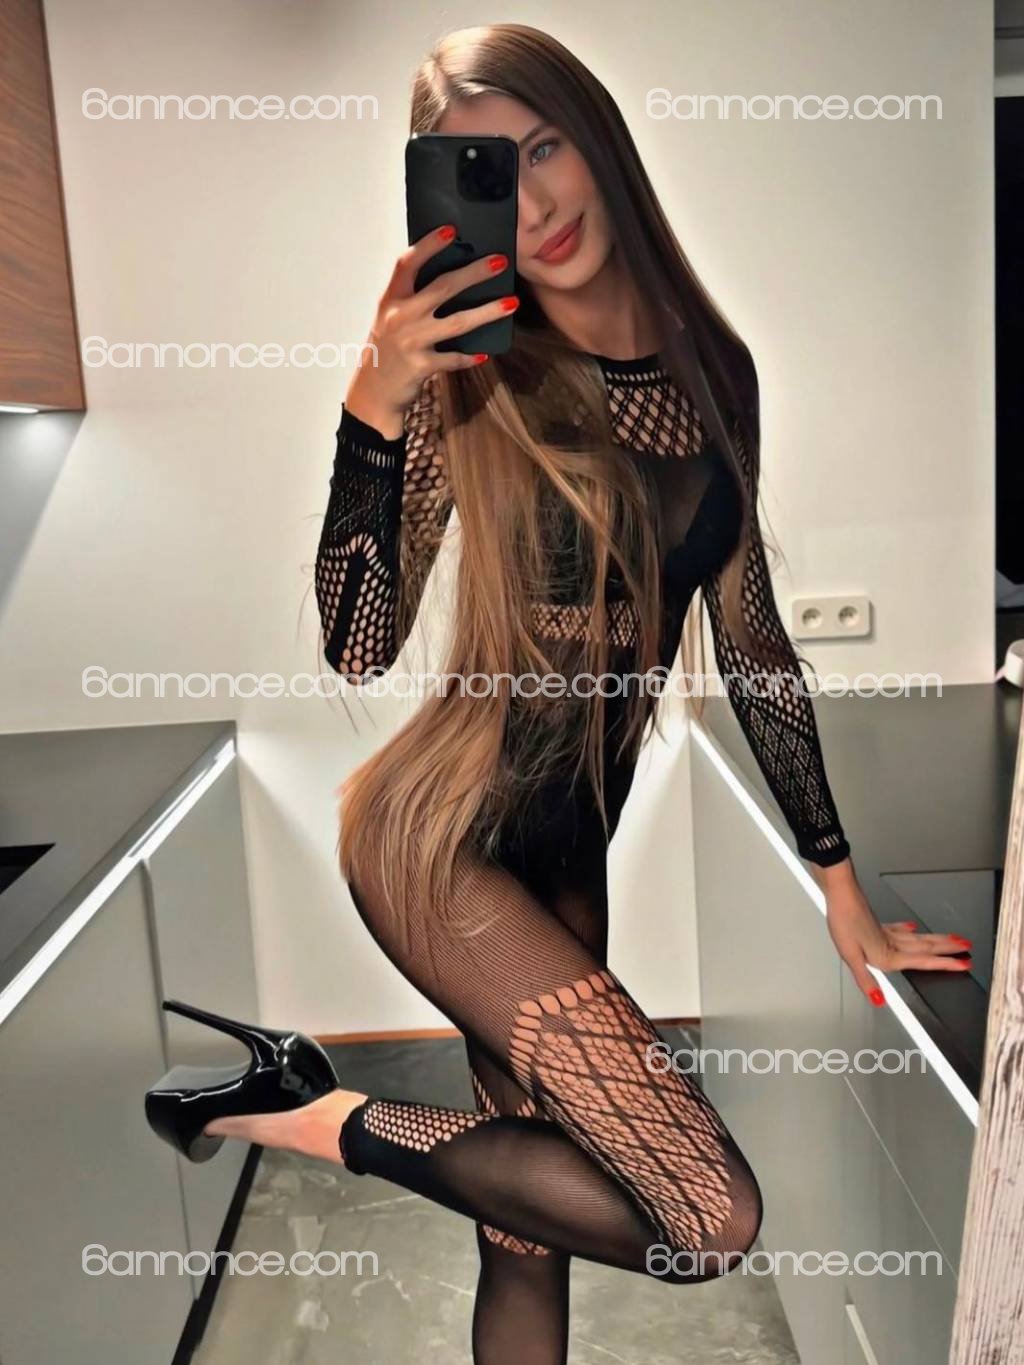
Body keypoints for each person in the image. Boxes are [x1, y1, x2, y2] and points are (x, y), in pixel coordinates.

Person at [145, 24, 972, 1364]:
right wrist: (374, 401)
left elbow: (752, 638)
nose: (533, 205)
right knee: (705, 1212)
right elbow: (359, 642)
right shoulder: (478, 378)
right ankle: (298, 1109)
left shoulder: (716, 371)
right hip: (440, 842)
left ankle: (279, 1096)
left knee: (521, 1237)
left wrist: (842, 889)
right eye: (490, 173)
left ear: (595, 137)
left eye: (543, 148)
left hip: (566, 855)